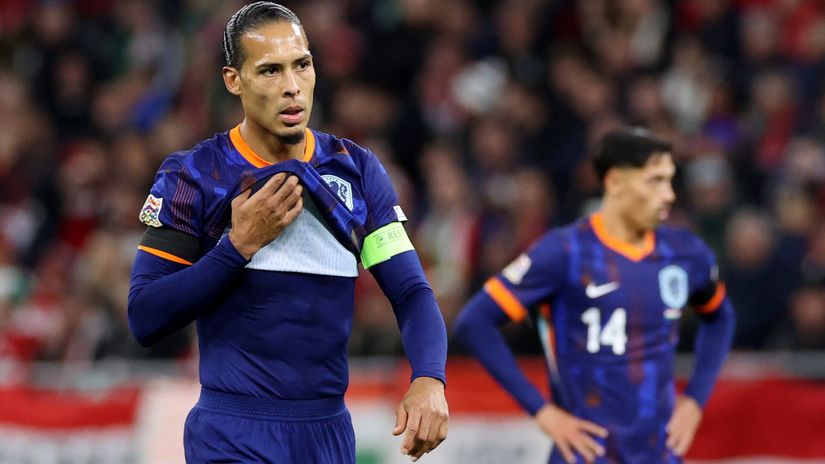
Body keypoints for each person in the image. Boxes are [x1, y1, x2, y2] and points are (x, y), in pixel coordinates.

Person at [127, 3, 448, 463]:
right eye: (270, 71)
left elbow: (412, 292)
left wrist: (429, 379)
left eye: (302, 64)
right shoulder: (194, 176)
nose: (292, 87)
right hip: (232, 434)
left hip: (328, 437)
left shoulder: (356, 171)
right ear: (233, 80)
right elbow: (145, 317)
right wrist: (236, 247)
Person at [453, 128, 735, 463]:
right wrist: (542, 411)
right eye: (655, 181)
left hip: (658, 454)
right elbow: (474, 322)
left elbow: (720, 317)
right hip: (586, 455)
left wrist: (695, 399)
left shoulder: (685, 253)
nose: (669, 195)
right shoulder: (564, 252)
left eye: (670, 180)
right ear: (615, 182)